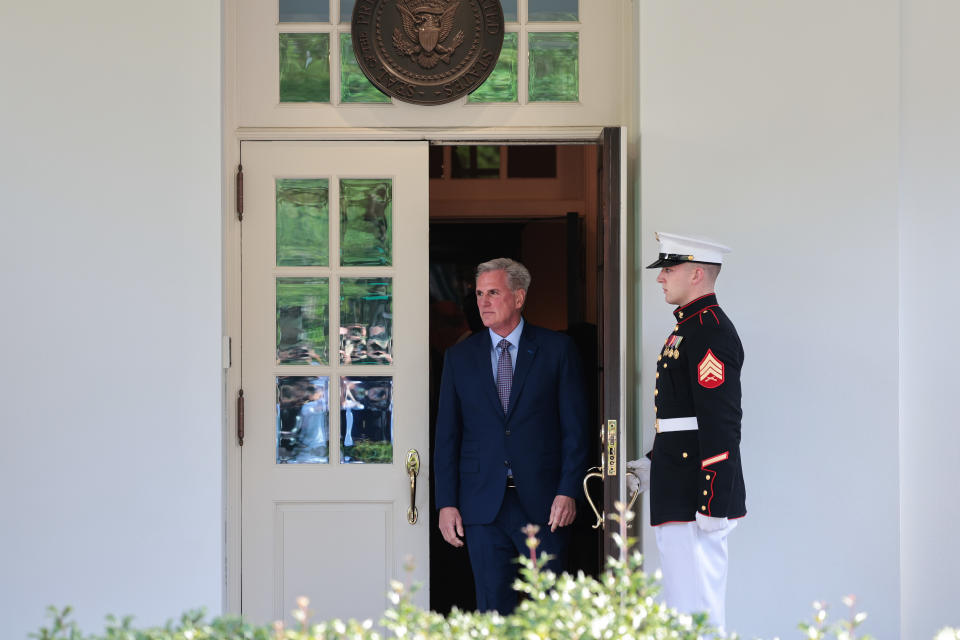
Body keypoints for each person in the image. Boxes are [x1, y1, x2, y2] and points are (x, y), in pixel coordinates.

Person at [434, 257, 589, 614]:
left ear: (518, 298)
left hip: (544, 502)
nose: (483, 302)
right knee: (493, 608)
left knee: (549, 606)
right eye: (478, 294)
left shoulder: (557, 350)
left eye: (493, 293)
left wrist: (568, 490)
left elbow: (575, 430)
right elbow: (447, 435)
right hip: (481, 503)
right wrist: (447, 503)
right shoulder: (460, 357)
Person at [627, 232, 746, 634]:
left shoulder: (709, 331)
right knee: (681, 603)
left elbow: (721, 422)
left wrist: (712, 497)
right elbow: (683, 420)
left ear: (697, 274)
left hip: (696, 489)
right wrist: (652, 463)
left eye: (669, 269)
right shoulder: (690, 328)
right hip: (678, 481)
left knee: (698, 609)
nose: (661, 278)